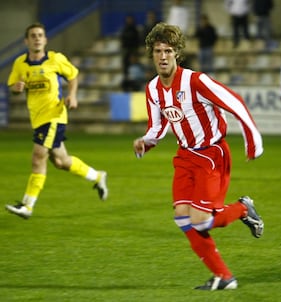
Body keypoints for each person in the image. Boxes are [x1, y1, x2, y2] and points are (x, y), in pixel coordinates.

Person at [133, 22, 264, 290]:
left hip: (212, 154)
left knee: (200, 221)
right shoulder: (153, 89)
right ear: (152, 54)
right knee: (183, 218)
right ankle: (224, 278)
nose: (163, 56)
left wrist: (253, 138)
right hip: (185, 156)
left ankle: (242, 209)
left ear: (177, 53)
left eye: (168, 50)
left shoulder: (195, 81)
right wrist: (146, 142)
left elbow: (235, 102)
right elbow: (158, 126)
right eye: (157, 51)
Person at [5, 22, 108, 219]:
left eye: (40, 35)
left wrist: (73, 95)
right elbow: (12, 85)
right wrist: (16, 88)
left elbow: (73, 76)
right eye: (33, 35)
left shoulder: (55, 59)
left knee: (38, 156)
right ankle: (97, 176)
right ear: (26, 41)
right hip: (37, 118)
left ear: (45, 39)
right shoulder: (20, 64)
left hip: (54, 115)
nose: (37, 38)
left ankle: (27, 205)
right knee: (61, 161)